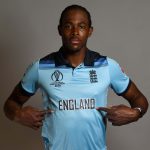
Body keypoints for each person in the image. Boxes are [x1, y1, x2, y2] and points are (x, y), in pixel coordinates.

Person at [3, 4, 148, 150]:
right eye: (68, 26)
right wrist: (18, 114)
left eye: (81, 26)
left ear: (90, 31)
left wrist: (136, 113)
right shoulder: (40, 68)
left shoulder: (107, 66)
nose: (75, 32)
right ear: (60, 30)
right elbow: (10, 104)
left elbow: (140, 100)